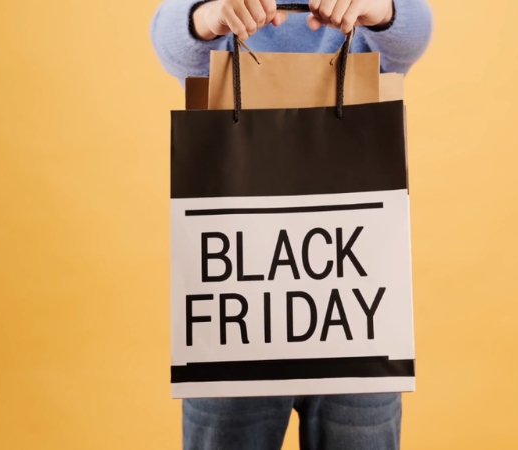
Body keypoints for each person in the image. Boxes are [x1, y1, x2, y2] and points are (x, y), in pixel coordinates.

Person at [150, 1, 432, 449]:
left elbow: (412, 34)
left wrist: (380, 7)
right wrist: (209, 14)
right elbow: (172, 43)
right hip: (244, 310)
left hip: (352, 307)